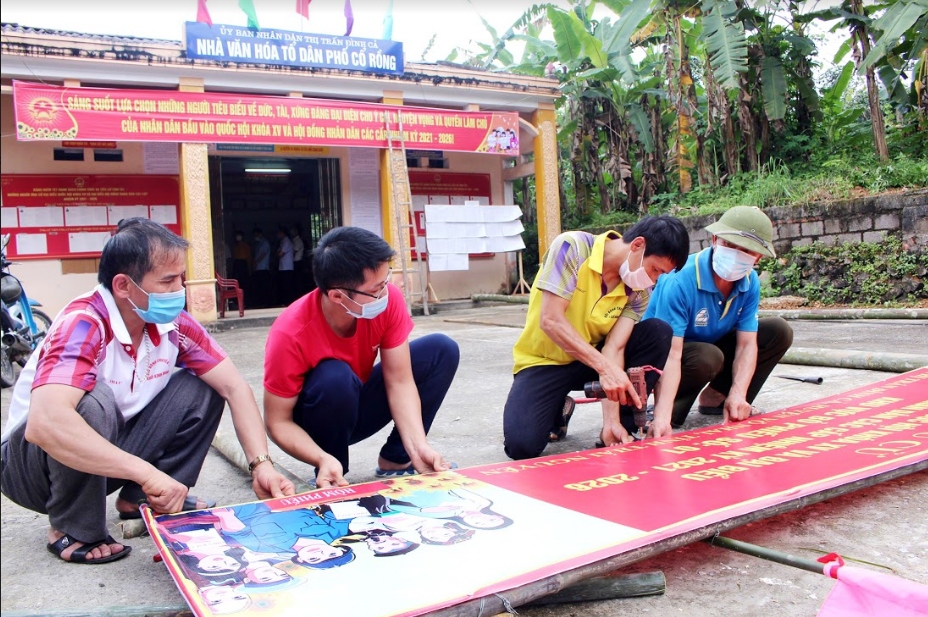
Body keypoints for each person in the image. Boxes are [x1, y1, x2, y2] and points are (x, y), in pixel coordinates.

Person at [0, 217, 295, 565]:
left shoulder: (171, 324)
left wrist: (261, 466)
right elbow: (45, 424)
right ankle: (73, 526)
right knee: (92, 401)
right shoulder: (84, 323)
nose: (179, 291)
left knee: (203, 386)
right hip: (32, 469)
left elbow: (236, 388)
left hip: (107, 454)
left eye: (180, 279)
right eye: (168, 281)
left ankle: (140, 498)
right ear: (124, 285)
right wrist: (147, 470)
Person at [263, 226, 459, 488]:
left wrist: (418, 446)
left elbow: (399, 381)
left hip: (357, 402)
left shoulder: (387, 301)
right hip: (318, 419)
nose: (386, 292)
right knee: (334, 377)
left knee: (441, 350)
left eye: (386, 280)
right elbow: (278, 422)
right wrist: (321, 457)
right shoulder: (290, 333)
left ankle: (398, 457)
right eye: (377, 288)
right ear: (337, 295)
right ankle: (332, 470)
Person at [502, 216, 690, 460]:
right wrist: (604, 368)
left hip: (590, 361)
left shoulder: (639, 290)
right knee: (522, 446)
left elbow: (615, 347)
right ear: (637, 245)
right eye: (655, 269)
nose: (653, 280)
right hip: (543, 361)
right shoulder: (573, 248)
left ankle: (622, 425)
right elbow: (550, 320)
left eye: (660, 275)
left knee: (657, 332)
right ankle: (558, 407)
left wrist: (609, 422)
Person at [643, 206, 793, 427]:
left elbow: (746, 345)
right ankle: (664, 409)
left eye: (746, 251)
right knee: (708, 356)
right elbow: (671, 353)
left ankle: (720, 398)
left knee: (777, 331)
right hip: (664, 353)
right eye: (729, 245)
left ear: (758, 258)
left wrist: (738, 393)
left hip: (709, 345)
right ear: (714, 240)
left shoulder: (749, 282)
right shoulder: (682, 278)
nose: (735, 255)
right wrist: (661, 415)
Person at [251, 228, 271, 308]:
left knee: (263, 286)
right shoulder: (258, 243)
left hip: (263, 268)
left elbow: (262, 255)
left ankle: (265, 303)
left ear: (260, 234)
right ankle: (260, 302)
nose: (255, 237)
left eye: (256, 235)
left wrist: (256, 262)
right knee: (259, 286)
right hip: (258, 268)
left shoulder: (265, 243)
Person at [275, 227, 294, 306]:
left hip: (287, 267)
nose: (278, 235)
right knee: (283, 285)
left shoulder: (287, 242)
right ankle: (285, 301)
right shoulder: (282, 242)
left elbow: (280, 254)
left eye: (279, 233)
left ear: (283, 233)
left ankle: (288, 302)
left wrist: (278, 252)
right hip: (283, 267)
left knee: (287, 285)